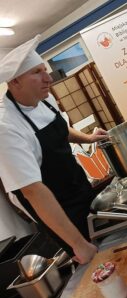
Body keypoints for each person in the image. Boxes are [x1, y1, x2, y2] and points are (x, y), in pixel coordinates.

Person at [0, 35, 108, 264]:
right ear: (14, 82)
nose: (48, 78)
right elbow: (33, 192)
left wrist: (88, 138)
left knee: (113, 246)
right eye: (37, 72)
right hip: (60, 213)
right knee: (99, 267)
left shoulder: (44, 99)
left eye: (46, 70)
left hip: (80, 188)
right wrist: (78, 244)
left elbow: (60, 128)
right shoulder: (5, 127)